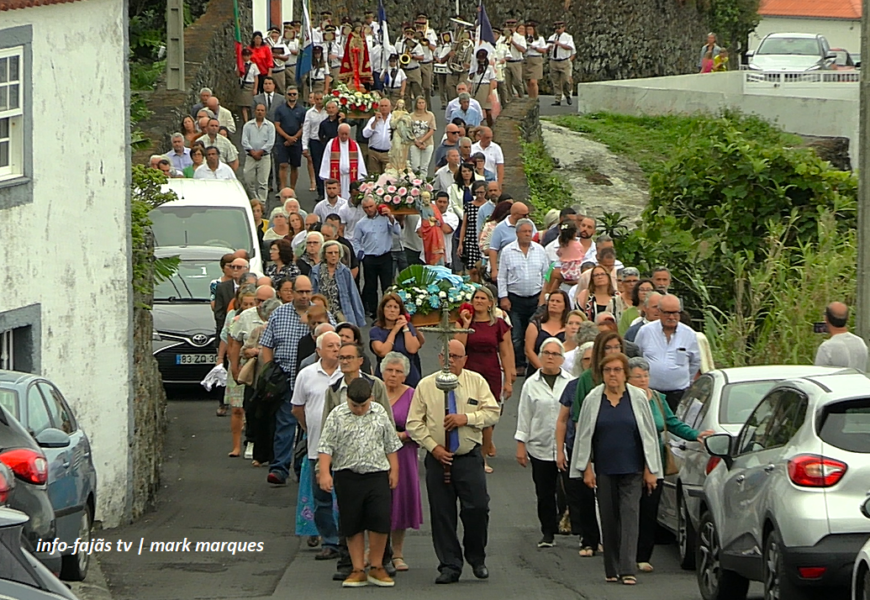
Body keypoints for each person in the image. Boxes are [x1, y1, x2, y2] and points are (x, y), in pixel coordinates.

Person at [405, 340, 501, 584]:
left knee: (478, 508)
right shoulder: (426, 385)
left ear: (465, 359)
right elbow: (414, 423)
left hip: (468, 456)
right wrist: (433, 448)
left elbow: (492, 412)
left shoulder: (476, 382)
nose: (451, 361)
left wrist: (466, 418)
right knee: (442, 514)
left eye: (457, 357)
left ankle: (476, 557)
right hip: (439, 459)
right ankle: (449, 565)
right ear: (439, 359)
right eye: (447, 357)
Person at [569, 352, 661, 585]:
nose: (613, 374)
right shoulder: (593, 398)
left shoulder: (638, 398)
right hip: (604, 469)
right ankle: (612, 568)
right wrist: (586, 468)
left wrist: (651, 469)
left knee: (630, 516)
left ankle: (628, 569)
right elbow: (585, 435)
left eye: (617, 370)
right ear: (602, 374)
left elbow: (649, 434)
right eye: (608, 370)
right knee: (609, 519)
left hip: (633, 468)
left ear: (625, 374)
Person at [627, 357, 713, 572]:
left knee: (649, 510)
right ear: (627, 378)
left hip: (655, 461)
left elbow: (672, 423)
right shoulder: (623, 398)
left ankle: (642, 556)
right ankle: (623, 553)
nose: (642, 380)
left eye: (645, 375)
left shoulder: (656, 398)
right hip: (629, 460)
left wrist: (695, 435)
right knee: (628, 509)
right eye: (637, 376)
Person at [318, 377, 402, 588]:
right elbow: (326, 445)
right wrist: (325, 473)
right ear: (347, 399)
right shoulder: (336, 415)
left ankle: (376, 566)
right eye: (354, 405)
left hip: (377, 474)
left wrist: (395, 470)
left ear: (371, 399)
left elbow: (390, 444)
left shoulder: (380, 413)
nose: (358, 409)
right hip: (348, 475)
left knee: (380, 519)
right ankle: (357, 569)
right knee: (352, 522)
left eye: (363, 405)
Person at [259, 275, 320, 485]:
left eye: (307, 292)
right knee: (285, 423)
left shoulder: (320, 313)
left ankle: (302, 468)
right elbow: (267, 344)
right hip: (286, 377)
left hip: (314, 380)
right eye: (300, 292)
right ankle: (279, 468)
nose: (304, 296)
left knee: (309, 426)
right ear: (292, 292)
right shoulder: (279, 314)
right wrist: (269, 370)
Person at [515, 338, 572, 548]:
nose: (549, 357)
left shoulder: (570, 382)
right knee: (544, 492)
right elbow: (524, 414)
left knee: (573, 491)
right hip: (539, 446)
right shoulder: (531, 383)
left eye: (554, 354)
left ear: (562, 359)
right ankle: (548, 533)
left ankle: (584, 533)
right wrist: (521, 444)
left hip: (566, 448)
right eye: (546, 353)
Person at [291, 331, 343, 560]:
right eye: (330, 345)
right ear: (318, 350)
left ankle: (347, 540)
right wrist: (310, 428)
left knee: (346, 497)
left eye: (338, 345)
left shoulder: (351, 374)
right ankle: (329, 541)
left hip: (346, 450)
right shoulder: (306, 374)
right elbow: (297, 407)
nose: (335, 349)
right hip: (316, 447)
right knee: (321, 498)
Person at [455, 285, 515, 472]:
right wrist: (465, 325)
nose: (479, 301)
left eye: (483, 298)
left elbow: (506, 353)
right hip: (469, 371)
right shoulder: (463, 321)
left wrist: (509, 380)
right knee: (470, 412)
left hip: (491, 372)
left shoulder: (498, 324)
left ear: (491, 303)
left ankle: (482, 456)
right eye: (476, 298)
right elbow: (458, 347)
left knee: (488, 415)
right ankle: (472, 450)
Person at [381, 352, 423, 572]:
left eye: (398, 372)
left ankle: (397, 553)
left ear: (405, 375)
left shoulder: (413, 395)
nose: (393, 375)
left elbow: (420, 425)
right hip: (376, 455)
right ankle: (376, 551)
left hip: (403, 454)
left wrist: (403, 435)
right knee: (377, 502)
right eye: (390, 370)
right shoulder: (375, 393)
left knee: (400, 502)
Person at [496, 219, 548, 370]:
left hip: (535, 298)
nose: (527, 234)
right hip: (514, 299)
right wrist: (503, 297)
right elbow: (502, 277)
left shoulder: (539, 250)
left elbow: (546, 275)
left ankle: (535, 364)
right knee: (516, 334)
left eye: (529, 232)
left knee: (535, 332)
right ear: (517, 233)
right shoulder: (507, 251)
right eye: (524, 232)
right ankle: (518, 364)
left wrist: (543, 296)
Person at [635, 294, 701, 410]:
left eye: (675, 313)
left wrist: (685, 380)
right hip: (651, 392)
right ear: (659, 312)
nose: (671, 317)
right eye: (667, 313)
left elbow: (695, 362)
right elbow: (638, 356)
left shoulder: (689, 334)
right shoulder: (645, 331)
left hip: (678, 394)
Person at [221, 286, 257, 456]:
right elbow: (231, 344)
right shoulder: (235, 320)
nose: (248, 307)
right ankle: (236, 446)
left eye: (252, 303)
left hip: (255, 368)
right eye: (245, 304)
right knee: (237, 408)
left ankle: (252, 441)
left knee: (252, 408)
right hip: (239, 366)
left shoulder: (261, 319)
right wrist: (234, 367)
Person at [355, 197, 400, 318]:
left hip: (385, 256)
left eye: (371, 206)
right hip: (369, 258)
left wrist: (391, 217)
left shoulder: (385, 218)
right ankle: (374, 313)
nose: (369, 209)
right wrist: (361, 254)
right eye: (366, 208)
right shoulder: (361, 224)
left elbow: (397, 231)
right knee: (371, 286)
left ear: (375, 205)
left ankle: (389, 311)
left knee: (387, 285)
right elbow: (356, 240)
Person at [370, 293, 423, 388]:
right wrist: (394, 330)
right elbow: (383, 352)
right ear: (383, 309)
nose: (392, 310)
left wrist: (405, 327)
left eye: (395, 307)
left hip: (409, 378)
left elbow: (413, 349)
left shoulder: (408, 327)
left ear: (400, 311)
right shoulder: (376, 331)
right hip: (385, 378)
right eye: (389, 307)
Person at [311, 241, 365, 327]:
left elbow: (353, 294)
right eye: (330, 253)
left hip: (341, 312)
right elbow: (312, 293)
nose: (333, 255)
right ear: (324, 255)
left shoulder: (345, 271)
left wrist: (359, 319)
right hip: (322, 312)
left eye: (336, 252)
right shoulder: (315, 271)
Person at [524, 291, 569, 378]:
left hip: (563, 373)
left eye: (558, 301)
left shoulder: (569, 325)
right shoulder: (535, 324)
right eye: (552, 301)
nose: (554, 304)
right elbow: (529, 351)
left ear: (565, 306)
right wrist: (543, 370)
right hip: (536, 372)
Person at [814, 301, 868, 370]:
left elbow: (819, 374)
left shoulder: (827, 347)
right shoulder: (860, 342)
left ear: (826, 319)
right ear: (848, 318)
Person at [320, 123, 367, 200]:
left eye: (346, 134)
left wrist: (360, 176)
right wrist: (326, 176)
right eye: (342, 134)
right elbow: (326, 160)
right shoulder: (331, 144)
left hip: (350, 177)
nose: (344, 136)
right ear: (338, 133)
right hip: (336, 177)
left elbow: (360, 161)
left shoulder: (354, 145)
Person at [273, 86, 306, 191]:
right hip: (282, 140)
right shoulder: (280, 109)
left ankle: (292, 189)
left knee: (294, 166)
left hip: (296, 141)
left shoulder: (302, 110)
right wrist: (287, 137)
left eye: (294, 94)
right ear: (286, 95)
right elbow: (277, 125)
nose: (292, 96)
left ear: (297, 95)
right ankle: (283, 189)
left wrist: (294, 138)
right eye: (290, 94)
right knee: (282, 165)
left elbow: (304, 126)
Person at [241, 103, 276, 202]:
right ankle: (254, 200)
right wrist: (253, 152)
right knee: (248, 180)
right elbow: (244, 141)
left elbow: (270, 142)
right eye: (258, 110)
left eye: (262, 110)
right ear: (254, 111)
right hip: (250, 157)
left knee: (263, 182)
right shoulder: (248, 125)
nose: (260, 112)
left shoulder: (270, 126)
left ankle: (262, 202)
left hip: (264, 157)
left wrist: (260, 152)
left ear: (265, 112)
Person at [547, 221, 585, 294]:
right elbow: (582, 254)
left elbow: (558, 253)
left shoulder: (563, 246)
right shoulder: (578, 245)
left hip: (565, 273)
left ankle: (549, 292)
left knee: (555, 275)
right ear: (575, 233)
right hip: (576, 273)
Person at [302, 92, 328, 195]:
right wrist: (304, 146)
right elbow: (306, 129)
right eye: (317, 99)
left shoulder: (328, 110)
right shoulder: (309, 113)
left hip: (327, 142)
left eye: (321, 99)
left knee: (328, 166)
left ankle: (329, 189)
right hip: (315, 142)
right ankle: (320, 191)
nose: (319, 101)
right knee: (317, 166)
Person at [547, 21, 576, 107]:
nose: (557, 30)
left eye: (559, 28)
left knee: (566, 80)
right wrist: (549, 47)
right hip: (554, 60)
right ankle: (557, 99)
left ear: (563, 28)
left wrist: (559, 44)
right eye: (556, 28)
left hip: (564, 61)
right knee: (556, 81)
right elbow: (547, 48)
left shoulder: (568, 37)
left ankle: (567, 95)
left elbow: (570, 47)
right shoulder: (552, 37)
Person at [362, 98, 392, 176]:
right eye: (382, 106)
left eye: (386, 106)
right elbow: (365, 134)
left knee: (388, 177)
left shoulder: (393, 120)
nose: (384, 108)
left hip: (388, 153)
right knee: (373, 176)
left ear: (390, 107)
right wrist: (375, 122)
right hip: (374, 153)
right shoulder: (373, 119)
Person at [468, 49, 497, 127]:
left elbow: (492, 81)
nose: (481, 60)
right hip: (476, 86)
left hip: (486, 87)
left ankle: (491, 126)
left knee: (488, 111)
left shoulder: (489, 68)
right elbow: (470, 78)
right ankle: (477, 125)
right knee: (477, 109)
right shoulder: (474, 66)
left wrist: (490, 94)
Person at [408, 95, 436, 176]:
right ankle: (415, 183)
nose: (421, 104)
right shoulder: (410, 116)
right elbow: (409, 131)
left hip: (428, 144)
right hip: (414, 143)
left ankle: (423, 184)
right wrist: (417, 142)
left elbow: (432, 130)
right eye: (419, 103)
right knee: (415, 167)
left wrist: (422, 141)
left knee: (424, 167)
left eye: (423, 103)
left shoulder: (430, 115)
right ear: (416, 104)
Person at [523, 21, 547, 99]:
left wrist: (535, 48)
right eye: (527, 29)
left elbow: (544, 50)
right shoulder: (524, 39)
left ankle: (535, 98)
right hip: (527, 59)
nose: (529, 31)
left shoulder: (540, 39)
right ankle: (530, 98)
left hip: (536, 59)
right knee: (528, 82)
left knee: (533, 81)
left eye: (530, 29)